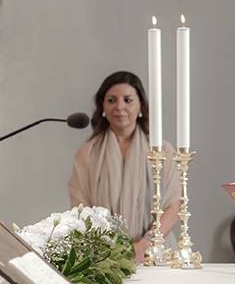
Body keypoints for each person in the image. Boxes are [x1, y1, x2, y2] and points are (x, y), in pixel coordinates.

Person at [68, 71, 180, 263]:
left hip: (156, 253)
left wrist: (144, 245)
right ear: (102, 107)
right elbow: (81, 209)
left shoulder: (162, 151)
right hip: (105, 257)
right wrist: (111, 249)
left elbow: (174, 205)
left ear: (141, 107)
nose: (119, 106)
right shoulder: (87, 153)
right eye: (111, 100)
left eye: (128, 100)